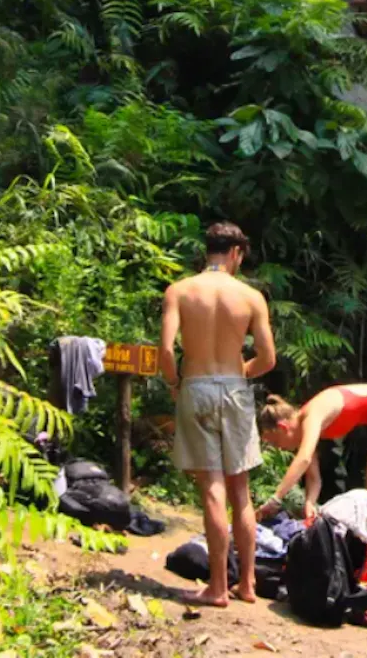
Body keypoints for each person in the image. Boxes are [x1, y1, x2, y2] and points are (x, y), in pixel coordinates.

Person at [159, 221, 276, 607]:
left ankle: (217, 587)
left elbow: (164, 349)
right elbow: (268, 358)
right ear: (236, 253)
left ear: (207, 250)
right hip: (234, 388)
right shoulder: (250, 296)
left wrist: (175, 381)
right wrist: (241, 372)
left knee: (212, 486)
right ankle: (247, 584)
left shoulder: (180, 291)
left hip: (195, 386)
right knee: (240, 490)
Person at [254, 384, 367, 528]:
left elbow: (303, 459)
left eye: (276, 443)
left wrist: (276, 498)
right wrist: (310, 504)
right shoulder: (306, 432)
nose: (280, 449)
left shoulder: (311, 416)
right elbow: (314, 479)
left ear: (283, 427)